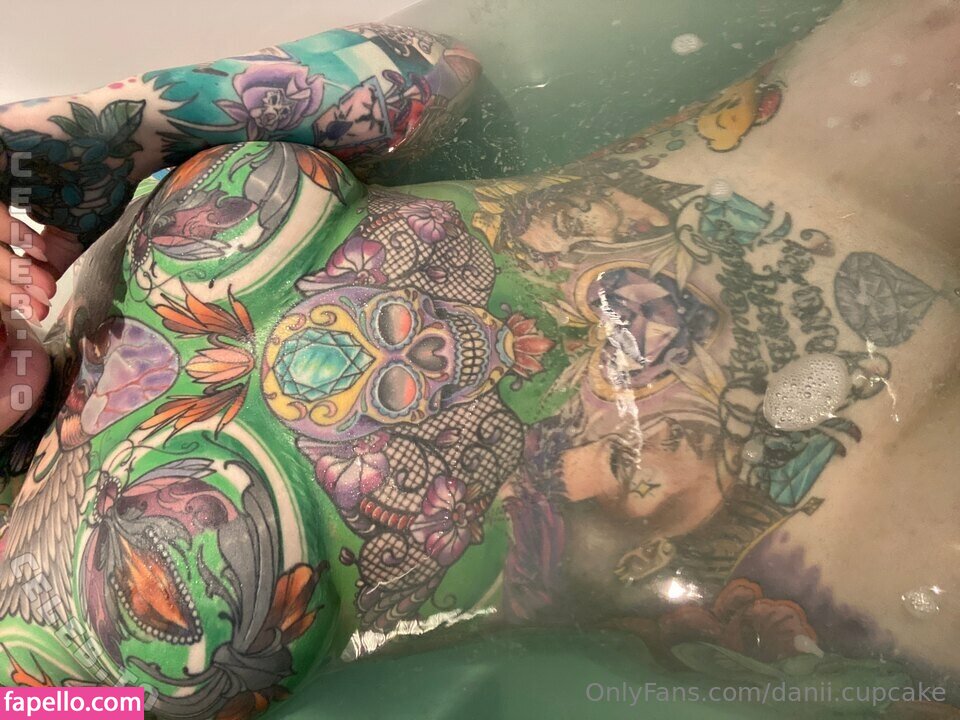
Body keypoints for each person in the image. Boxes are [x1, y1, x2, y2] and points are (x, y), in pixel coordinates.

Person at [0, 3, 957, 718]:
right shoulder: (26, 678)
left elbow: (427, 73)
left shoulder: (102, 244)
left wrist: (75, 142)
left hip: (783, 174)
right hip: (825, 514)